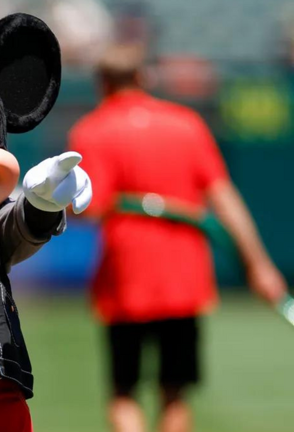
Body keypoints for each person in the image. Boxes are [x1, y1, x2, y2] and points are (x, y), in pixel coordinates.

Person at [68, 44, 287, 432]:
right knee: (176, 392)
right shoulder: (186, 124)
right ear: (144, 78)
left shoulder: (91, 130)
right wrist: (260, 265)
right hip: (183, 275)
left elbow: (89, 208)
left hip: (126, 274)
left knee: (124, 391)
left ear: (101, 83)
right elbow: (225, 200)